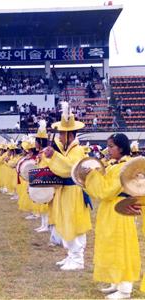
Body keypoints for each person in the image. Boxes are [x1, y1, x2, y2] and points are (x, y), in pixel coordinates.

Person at [84, 133, 140, 299]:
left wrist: (93, 175)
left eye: (111, 146)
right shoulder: (113, 164)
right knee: (110, 244)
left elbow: (106, 190)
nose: (107, 150)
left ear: (121, 148)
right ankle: (116, 281)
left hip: (120, 210)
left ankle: (125, 289)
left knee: (121, 246)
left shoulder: (126, 166)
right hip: (110, 209)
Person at [43, 101, 92, 271]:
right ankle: (71, 255)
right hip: (67, 191)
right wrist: (54, 156)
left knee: (75, 224)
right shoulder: (68, 150)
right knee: (66, 222)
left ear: (70, 135)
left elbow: (66, 169)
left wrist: (53, 156)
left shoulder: (77, 151)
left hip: (73, 191)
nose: (60, 138)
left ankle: (78, 259)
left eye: (62, 135)